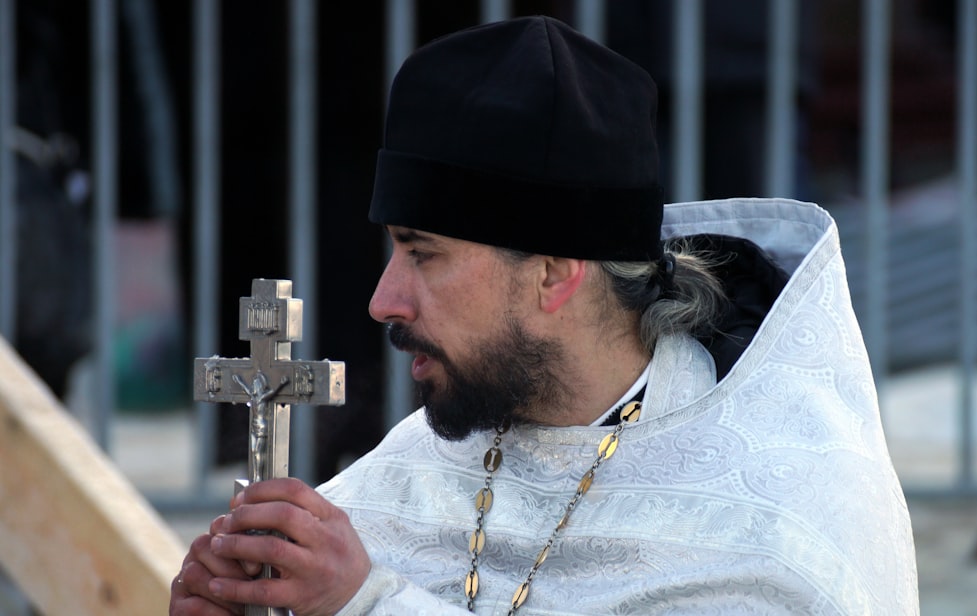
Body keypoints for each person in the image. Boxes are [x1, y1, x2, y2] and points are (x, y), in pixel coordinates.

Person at [170, 16, 919, 615]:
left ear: (556, 273)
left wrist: (368, 605)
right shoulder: (405, 477)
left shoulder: (777, 514)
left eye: (423, 253)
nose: (382, 301)